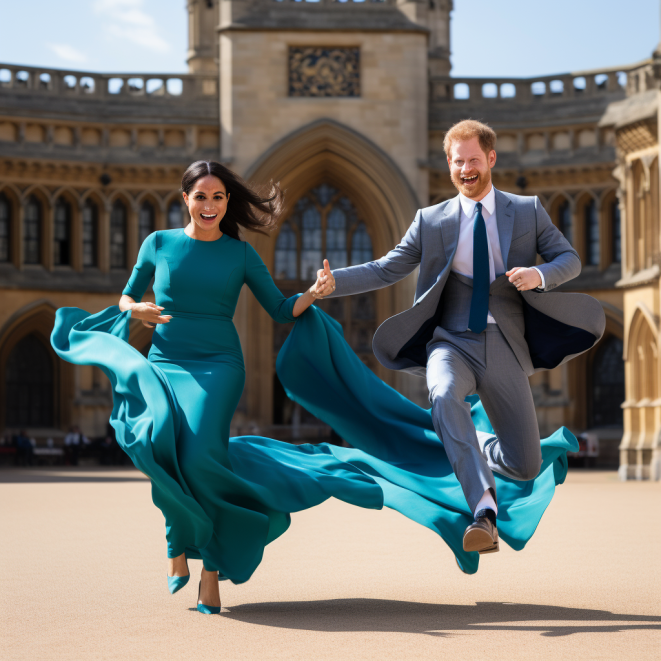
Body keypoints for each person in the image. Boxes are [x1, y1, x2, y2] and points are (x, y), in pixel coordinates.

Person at [52, 159, 584, 615]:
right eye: (200, 197)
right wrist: (135, 309)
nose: (209, 204)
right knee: (162, 445)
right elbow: (125, 297)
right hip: (168, 358)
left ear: (227, 200)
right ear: (185, 199)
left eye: (218, 197)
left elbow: (281, 309)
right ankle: (180, 544)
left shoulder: (239, 254)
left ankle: (209, 568)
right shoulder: (157, 242)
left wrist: (317, 292)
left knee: (200, 461)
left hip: (219, 365)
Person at [319, 119, 605, 555]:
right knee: (444, 392)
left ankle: (475, 439)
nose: (466, 169)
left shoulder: (526, 210)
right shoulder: (431, 220)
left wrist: (538, 274)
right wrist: (333, 281)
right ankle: (483, 511)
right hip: (450, 341)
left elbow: (570, 258)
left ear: (490, 159)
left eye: (474, 160)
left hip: (506, 346)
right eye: (458, 162)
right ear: (449, 166)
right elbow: (388, 266)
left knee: (525, 466)